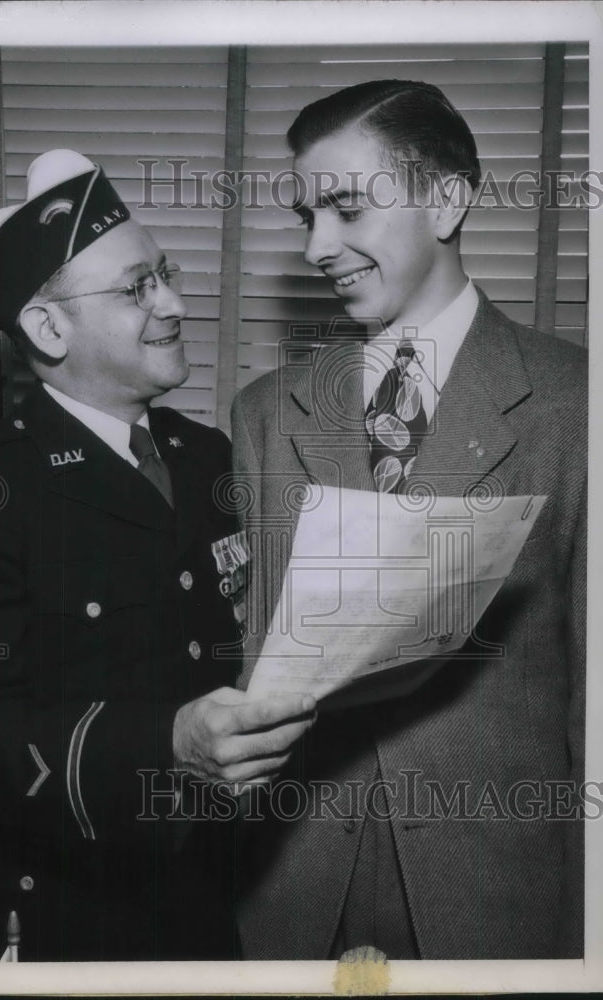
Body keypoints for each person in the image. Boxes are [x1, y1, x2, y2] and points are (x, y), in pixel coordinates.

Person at [0, 149, 314, 961]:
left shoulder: (208, 458)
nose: (174, 303)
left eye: (166, 273)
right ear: (48, 330)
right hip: (58, 918)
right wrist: (168, 744)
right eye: (136, 289)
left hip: (202, 902)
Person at [228, 81, 587, 960]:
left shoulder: (578, 405)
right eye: (307, 215)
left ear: (448, 199)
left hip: (502, 897)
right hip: (294, 888)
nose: (318, 246)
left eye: (347, 208)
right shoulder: (267, 413)